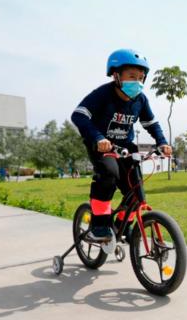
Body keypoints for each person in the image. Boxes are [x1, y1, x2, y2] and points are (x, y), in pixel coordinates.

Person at [71, 49, 172, 241]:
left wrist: (162, 142)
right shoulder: (103, 94)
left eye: (141, 78)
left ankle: (120, 227)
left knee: (135, 190)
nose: (137, 82)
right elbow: (79, 115)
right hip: (102, 146)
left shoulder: (140, 99)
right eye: (132, 76)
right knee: (108, 174)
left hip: (126, 147)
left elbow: (151, 123)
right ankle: (99, 226)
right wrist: (98, 138)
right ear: (116, 75)